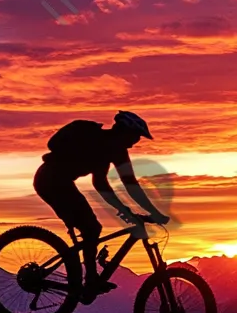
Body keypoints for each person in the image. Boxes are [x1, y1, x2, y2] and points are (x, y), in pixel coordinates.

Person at [33, 111, 169, 298]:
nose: (135, 142)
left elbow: (126, 184)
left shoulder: (116, 150)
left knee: (91, 228)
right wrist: (138, 211)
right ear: (123, 131)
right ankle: (90, 279)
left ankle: (89, 279)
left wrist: (129, 210)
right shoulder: (100, 143)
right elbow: (103, 184)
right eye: (135, 136)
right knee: (91, 228)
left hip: (56, 180)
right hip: (51, 180)